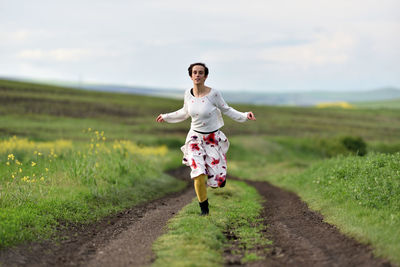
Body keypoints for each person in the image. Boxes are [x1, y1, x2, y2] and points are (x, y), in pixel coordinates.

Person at [156, 62, 256, 215]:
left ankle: (219, 177)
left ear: (205, 76)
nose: (197, 75)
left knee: (215, 182)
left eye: (200, 72)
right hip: (194, 138)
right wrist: (166, 116)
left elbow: (226, 109)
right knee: (198, 173)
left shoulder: (214, 94)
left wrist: (244, 115)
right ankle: (204, 209)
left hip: (212, 139)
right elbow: (184, 112)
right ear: (190, 76)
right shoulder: (187, 94)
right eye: (194, 72)